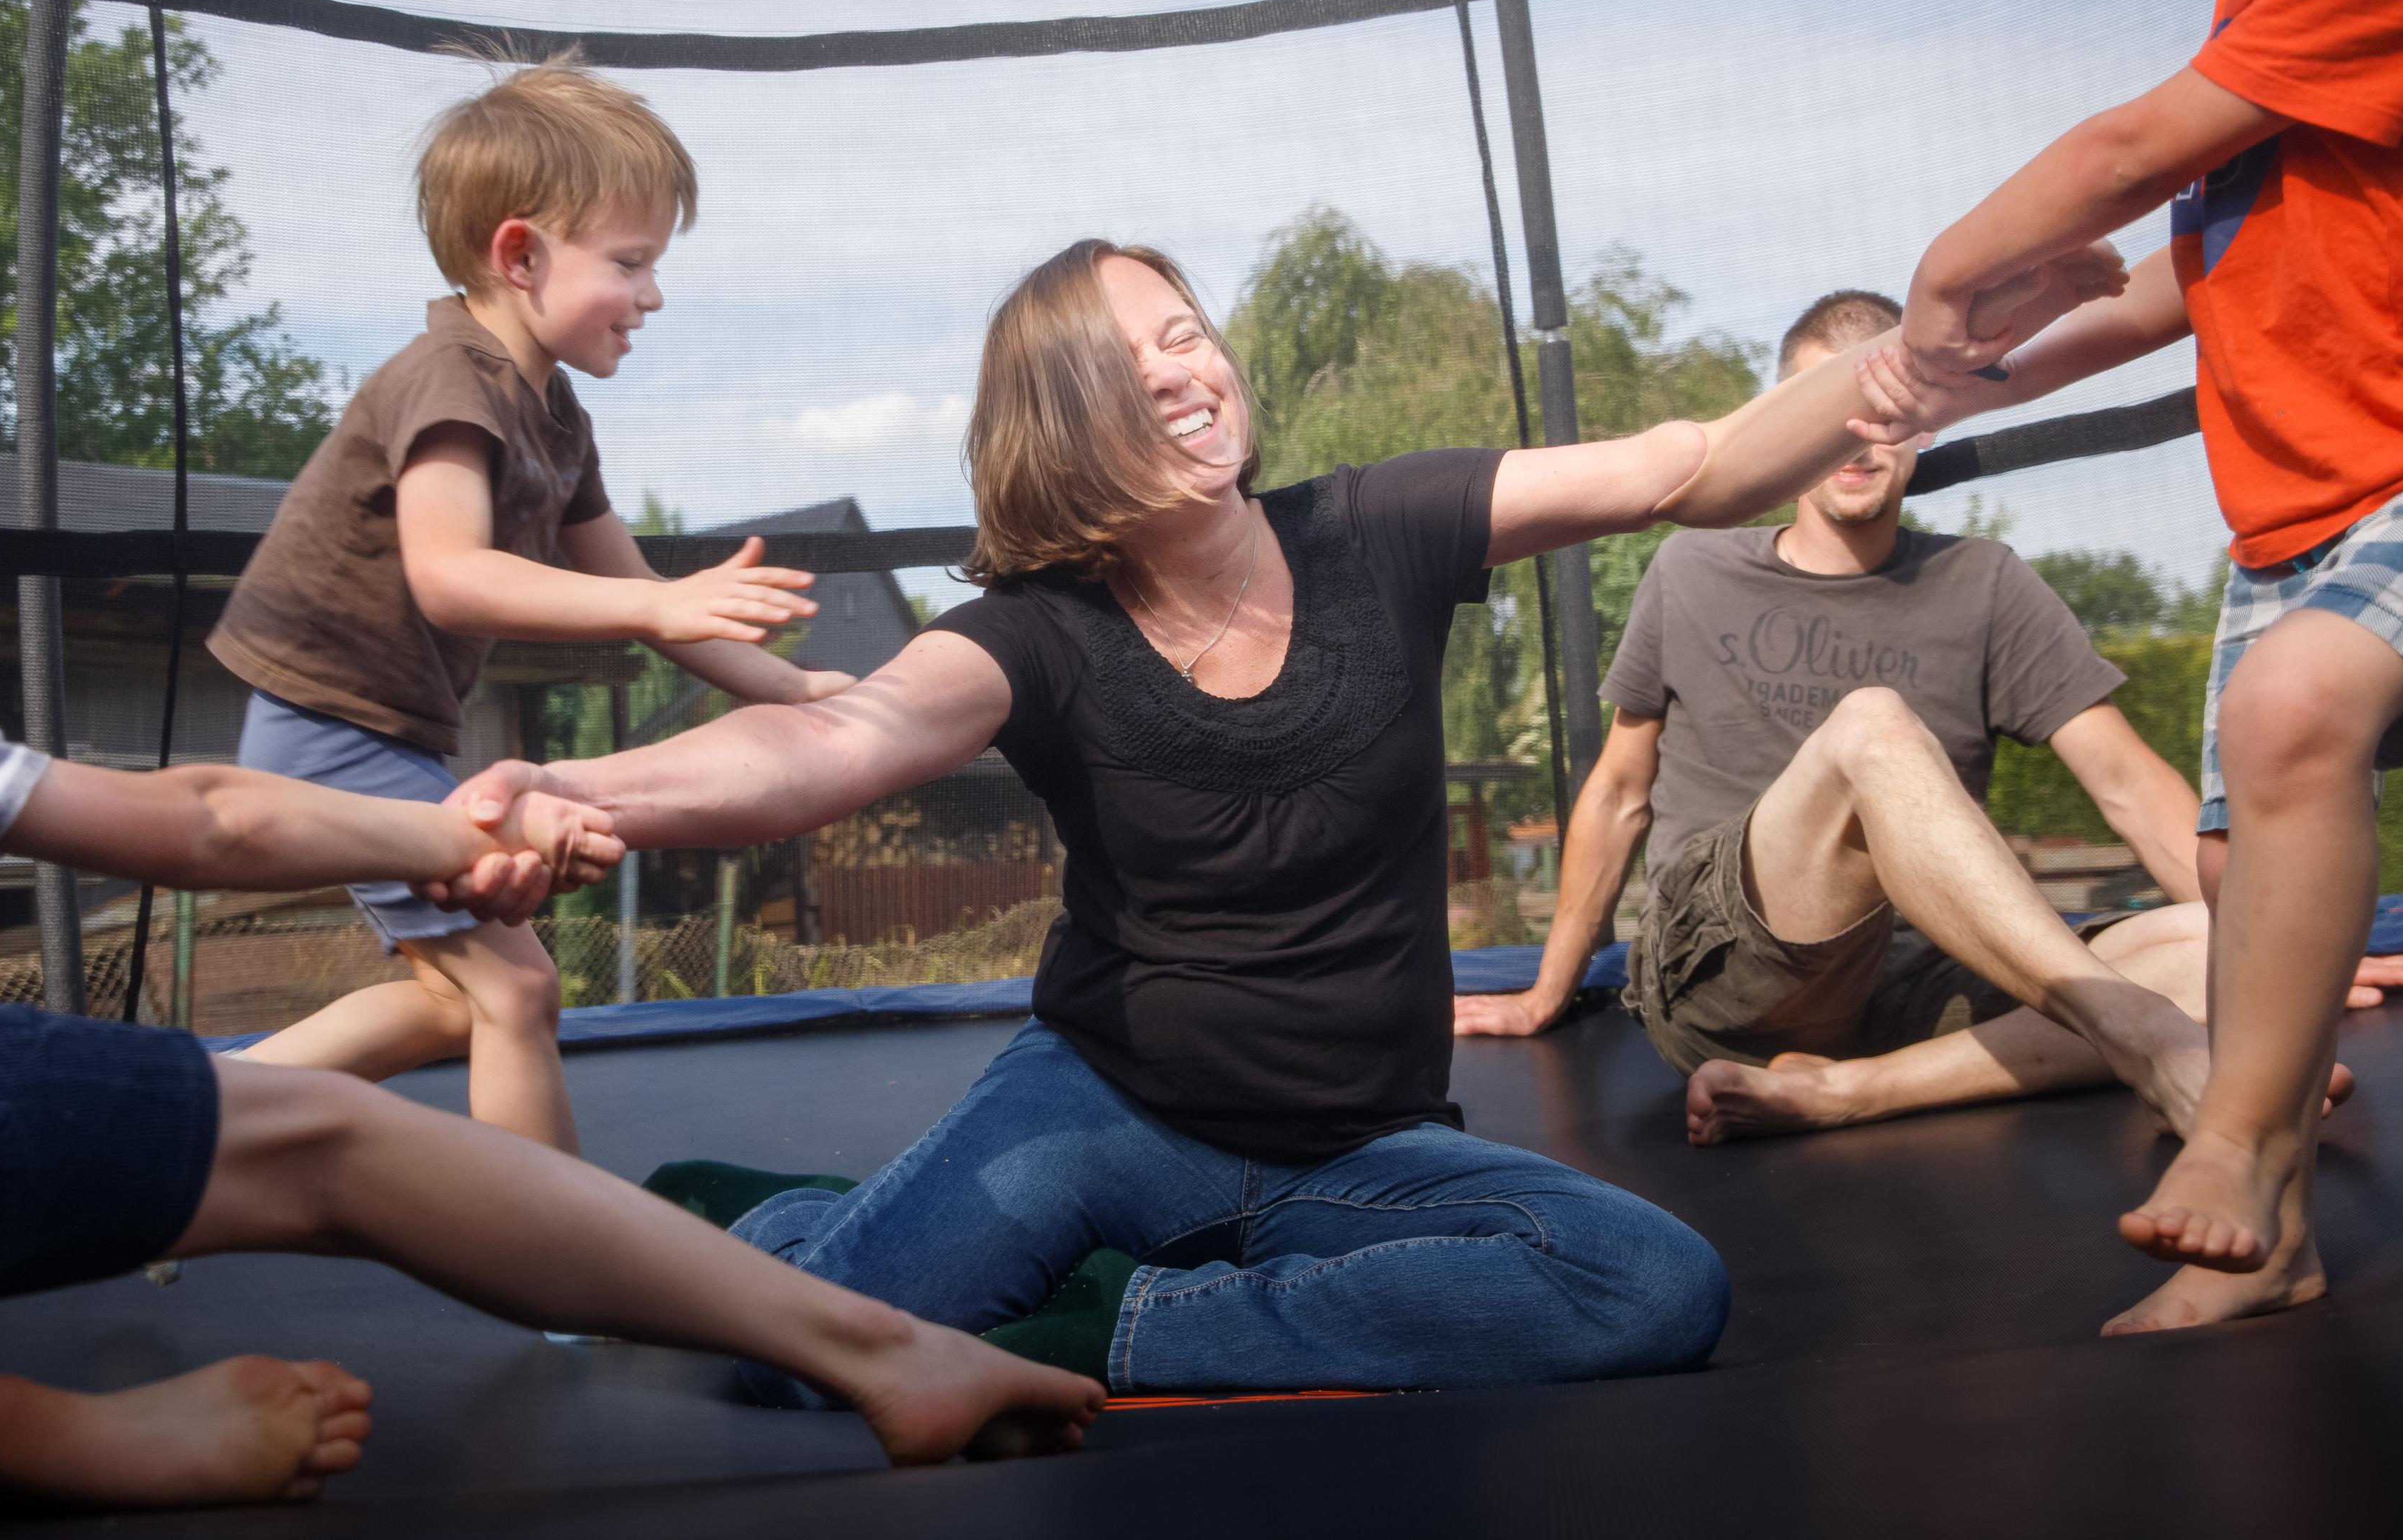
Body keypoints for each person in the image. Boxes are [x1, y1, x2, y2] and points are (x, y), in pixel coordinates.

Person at [427, 238, 2108, 1398]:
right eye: (1126, 357)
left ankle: (1117, 1325)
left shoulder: (1378, 527)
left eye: (1185, 332)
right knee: (785, 1357)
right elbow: (838, 747)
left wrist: (1909, 360)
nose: (1182, 370)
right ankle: (788, 1222)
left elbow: (1688, 466)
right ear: (1056, 421)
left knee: (1652, 1289)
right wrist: (581, 790)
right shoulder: (1038, 629)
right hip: (1104, 1110)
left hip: (1353, 1148)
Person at [0, 328, 1101, 1512]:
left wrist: (794, 695)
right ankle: (881, 1353)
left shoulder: (553, 424)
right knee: (348, 1147)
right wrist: (453, 833)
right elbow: (207, 822)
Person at [1871, 0, 2403, 1333]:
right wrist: (1986, 372)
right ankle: (2271, 1245)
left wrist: (1946, 274)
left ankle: (2238, 1143)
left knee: (2293, 711)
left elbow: (2126, 154)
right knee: (2225, 874)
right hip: (2289, 504)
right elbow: (2182, 270)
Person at [1452, 291, 2403, 1148]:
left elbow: (2124, 780)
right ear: (1788, 422)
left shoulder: (1982, 582)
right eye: (1830, 405)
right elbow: (1621, 791)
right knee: (1872, 726)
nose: (1861, 434)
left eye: (1886, 408)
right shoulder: (1695, 566)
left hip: (1916, 986)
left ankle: (1855, 1091)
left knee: (2217, 942)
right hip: (1727, 975)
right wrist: (1551, 989)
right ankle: (2136, 1031)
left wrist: (2291, 948)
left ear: (1923, 426)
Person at [208, 53, 851, 1149]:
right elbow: (449, 572)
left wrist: (805, 693)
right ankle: (569, 1265)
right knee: (516, 991)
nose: (652, 294)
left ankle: (193, 1123)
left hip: (390, 737)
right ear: (520, 253)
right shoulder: (450, 376)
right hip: (323, 726)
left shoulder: (555, 418)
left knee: (459, 998)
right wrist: (664, 611)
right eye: (631, 261)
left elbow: (648, 596)